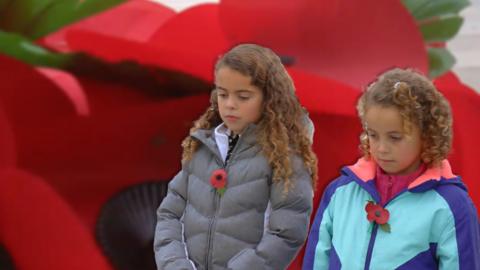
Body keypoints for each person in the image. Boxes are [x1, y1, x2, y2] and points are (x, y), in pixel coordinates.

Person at [154, 43, 318, 270]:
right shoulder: (202, 148)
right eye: (223, 94)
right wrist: (175, 265)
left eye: (243, 96)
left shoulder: (285, 156)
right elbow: (169, 214)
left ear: (269, 98)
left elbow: (287, 233)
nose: (230, 104)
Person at [303, 68, 480, 269]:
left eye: (395, 137)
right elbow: (316, 260)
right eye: (373, 135)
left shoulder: (451, 206)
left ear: (427, 135)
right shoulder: (339, 192)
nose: (381, 148)